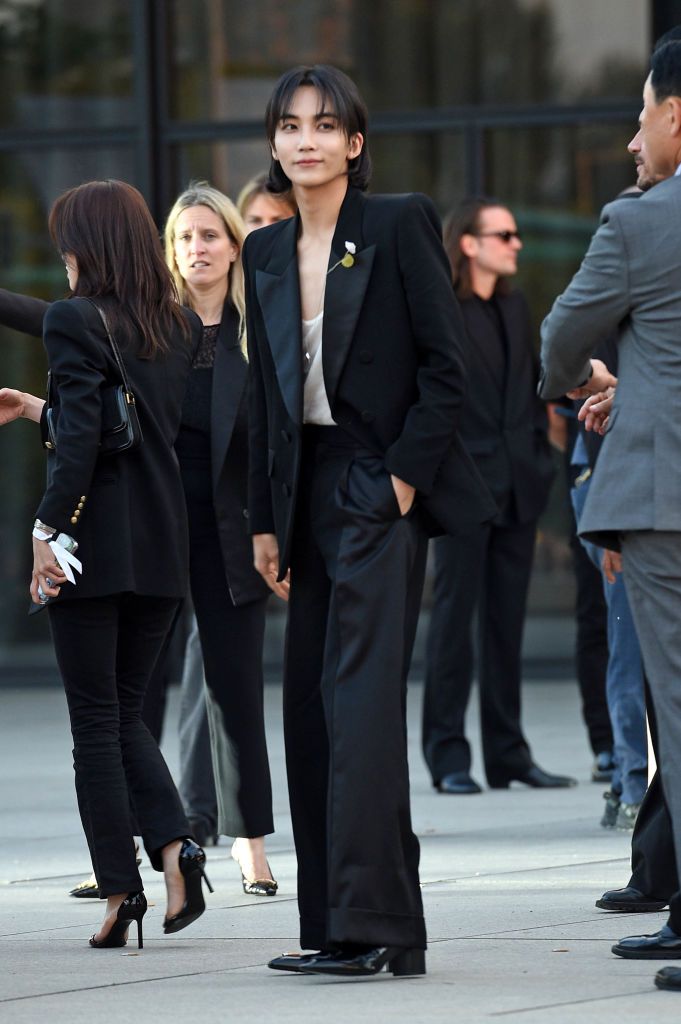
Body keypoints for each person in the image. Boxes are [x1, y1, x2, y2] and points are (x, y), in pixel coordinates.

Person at [244, 64, 495, 977]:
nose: (304, 139)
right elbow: (268, 400)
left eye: (323, 125)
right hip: (302, 495)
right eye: (288, 125)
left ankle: (371, 927)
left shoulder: (395, 225)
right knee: (310, 711)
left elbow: (445, 370)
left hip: (369, 486)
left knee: (359, 711)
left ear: (354, 143)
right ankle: (341, 925)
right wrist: (266, 521)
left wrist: (397, 484)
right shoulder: (263, 253)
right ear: (272, 143)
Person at [0, 181, 282, 897]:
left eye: (210, 234)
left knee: (144, 711)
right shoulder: (168, 327)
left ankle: (178, 865)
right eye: (183, 237)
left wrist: (46, 527)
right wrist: (47, 409)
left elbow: (91, 434)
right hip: (161, 538)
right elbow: (112, 417)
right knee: (130, 709)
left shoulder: (236, 333)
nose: (197, 247)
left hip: (156, 540)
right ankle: (161, 851)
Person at [539, 40, 681, 992]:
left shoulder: (641, 223)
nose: (633, 134)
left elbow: (557, 338)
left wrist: (588, 385)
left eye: (640, 113)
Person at [422, 197, 569, 794]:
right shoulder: (444, 311)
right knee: (454, 623)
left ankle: (508, 755)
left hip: (516, 487)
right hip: (462, 492)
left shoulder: (513, 306)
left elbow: (531, 390)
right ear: (469, 244)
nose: (517, 244)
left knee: (506, 626)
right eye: (504, 234)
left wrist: (538, 455)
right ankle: (449, 758)